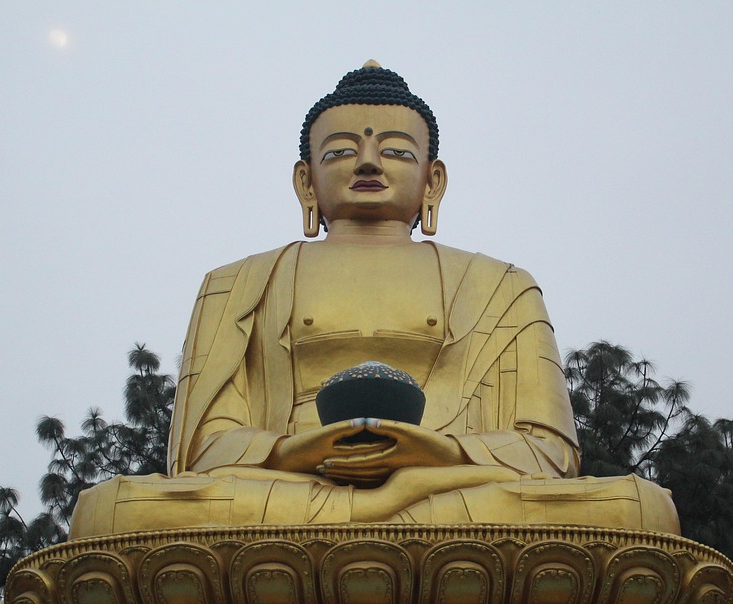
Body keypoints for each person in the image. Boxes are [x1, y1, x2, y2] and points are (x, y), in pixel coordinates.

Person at [69, 62, 679, 538]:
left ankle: (377, 523)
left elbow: (546, 451)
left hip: (453, 492)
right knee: (111, 512)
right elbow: (204, 451)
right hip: (284, 492)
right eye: (338, 151)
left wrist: (438, 452)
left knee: (637, 509)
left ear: (433, 179)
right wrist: (291, 450)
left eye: (395, 150)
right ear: (305, 180)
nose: (366, 161)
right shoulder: (237, 282)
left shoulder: (501, 284)